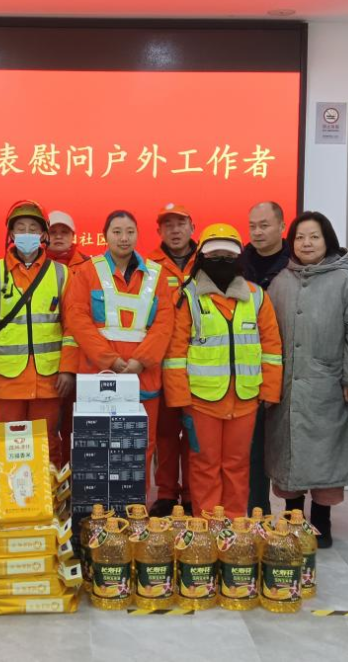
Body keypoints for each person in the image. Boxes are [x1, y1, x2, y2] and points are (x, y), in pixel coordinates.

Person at [264, 211, 348, 548]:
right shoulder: (281, 281)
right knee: (289, 451)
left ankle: (322, 521)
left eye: (314, 237)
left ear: (328, 241)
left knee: (327, 453)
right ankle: (293, 516)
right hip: (287, 385)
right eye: (300, 237)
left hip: (329, 385)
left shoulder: (344, 280)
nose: (306, 243)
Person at [163, 224, 283, 518]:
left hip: (245, 400)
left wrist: (269, 392)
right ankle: (207, 526)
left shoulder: (257, 296)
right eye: (214, 254)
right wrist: (179, 399)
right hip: (200, 402)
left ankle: (234, 525)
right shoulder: (187, 297)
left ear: (239, 258)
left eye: (228, 255)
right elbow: (175, 353)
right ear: (201, 258)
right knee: (204, 464)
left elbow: (271, 347)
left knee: (238, 465)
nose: (221, 260)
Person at [65, 211, 174, 496]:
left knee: (140, 445)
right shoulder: (87, 272)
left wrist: (141, 361)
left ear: (137, 234)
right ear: (105, 236)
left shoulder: (157, 275)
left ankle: (135, 506)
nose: (123, 238)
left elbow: (164, 323)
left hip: (143, 377)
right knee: (97, 444)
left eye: (129, 231)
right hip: (99, 373)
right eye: (117, 232)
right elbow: (77, 319)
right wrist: (109, 360)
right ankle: (97, 508)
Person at [0, 200, 78, 468]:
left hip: (49, 378)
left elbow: (72, 327)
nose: (27, 233)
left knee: (47, 444)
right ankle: (9, 497)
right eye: (21, 228)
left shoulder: (62, 274)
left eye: (33, 228)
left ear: (43, 234)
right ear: (10, 233)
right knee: (7, 446)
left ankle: (48, 495)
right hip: (4, 379)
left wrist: (67, 369)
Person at [145, 203, 198, 517]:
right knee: (164, 435)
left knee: (193, 434)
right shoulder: (149, 266)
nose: (175, 230)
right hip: (161, 365)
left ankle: (191, 494)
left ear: (192, 227)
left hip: (200, 366)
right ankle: (165, 493)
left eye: (180, 223)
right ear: (159, 231)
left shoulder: (206, 261)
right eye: (168, 225)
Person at [240, 200, 290, 516]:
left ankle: (298, 516)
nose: (257, 232)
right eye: (252, 226)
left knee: (289, 445)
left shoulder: (296, 263)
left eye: (264, 225)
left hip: (290, 363)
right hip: (246, 371)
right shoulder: (237, 264)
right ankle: (257, 510)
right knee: (252, 448)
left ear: (282, 226)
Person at [48, 209, 90, 468]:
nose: (58, 236)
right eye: (53, 232)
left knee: (77, 427)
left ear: (74, 236)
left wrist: (71, 366)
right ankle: (52, 480)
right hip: (44, 362)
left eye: (64, 232)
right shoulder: (35, 266)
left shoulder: (88, 266)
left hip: (80, 361)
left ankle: (74, 479)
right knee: (48, 428)